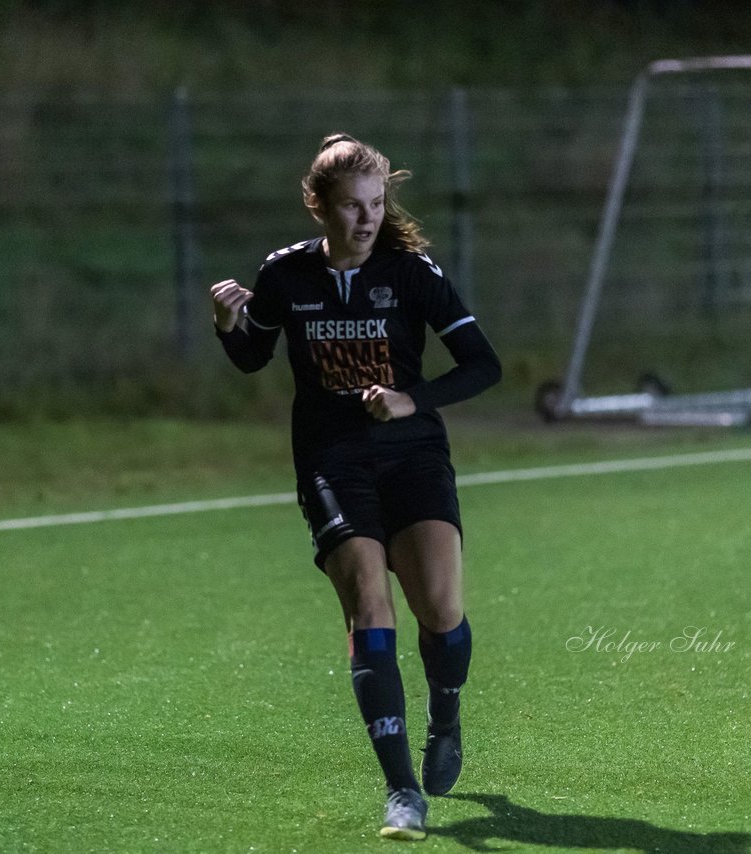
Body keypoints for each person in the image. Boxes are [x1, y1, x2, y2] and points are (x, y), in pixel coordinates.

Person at [210, 133, 501, 841]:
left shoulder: (411, 273)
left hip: (412, 457)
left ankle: (447, 709)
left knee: (439, 610)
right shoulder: (284, 276)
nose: (367, 219)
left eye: (376, 204)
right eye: (351, 206)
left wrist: (411, 400)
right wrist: (229, 325)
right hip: (331, 460)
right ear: (318, 206)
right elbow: (255, 356)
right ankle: (402, 790)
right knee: (369, 604)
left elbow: (483, 366)